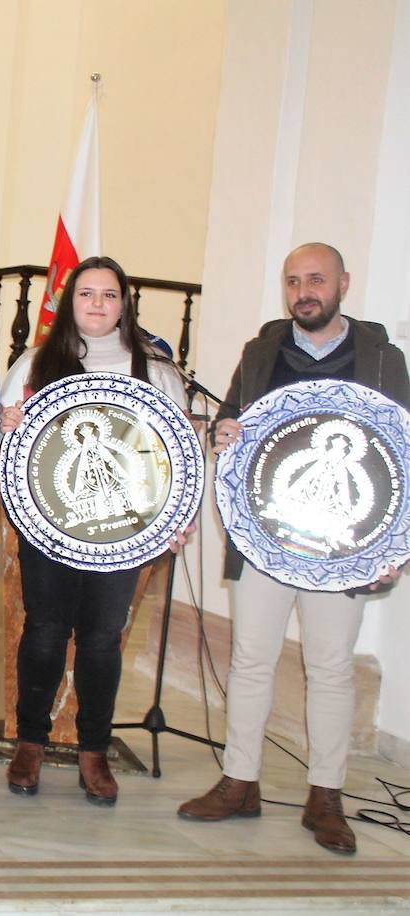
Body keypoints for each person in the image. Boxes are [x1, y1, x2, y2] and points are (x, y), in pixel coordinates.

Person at [177, 242, 409, 854]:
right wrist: (222, 432)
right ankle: (239, 781)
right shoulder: (263, 350)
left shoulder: (383, 358)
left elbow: (401, 461)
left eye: (316, 280)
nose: (304, 291)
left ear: (343, 284)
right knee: (251, 658)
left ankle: (325, 796)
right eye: (293, 281)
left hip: (344, 547)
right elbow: (230, 419)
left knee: (330, 667)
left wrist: (396, 543)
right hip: (264, 537)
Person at [0, 256, 188, 804]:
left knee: (103, 639)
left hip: (124, 529)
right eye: (87, 294)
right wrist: (8, 425)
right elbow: (5, 441)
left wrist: (179, 518)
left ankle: (93, 750)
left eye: (109, 295)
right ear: (69, 302)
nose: (98, 304)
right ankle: (30, 742)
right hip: (49, 526)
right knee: (46, 630)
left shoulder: (156, 371)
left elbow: (177, 457)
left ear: (124, 303)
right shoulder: (36, 362)